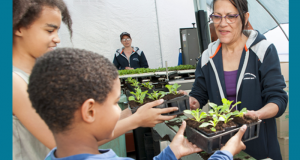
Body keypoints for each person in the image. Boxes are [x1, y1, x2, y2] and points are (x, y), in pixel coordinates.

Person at [12, 0, 179, 159]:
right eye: (49, 30)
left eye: (57, 31)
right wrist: (135, 120)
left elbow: (77, 129)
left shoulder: (38, 76)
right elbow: (62, 143)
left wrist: (132, 112)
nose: (57, 38)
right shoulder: (13, 81)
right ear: (19, 27)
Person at [27, 48, 248, 160]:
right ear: (90, 111)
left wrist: (170, 153)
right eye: (115, 103)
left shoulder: (55, 154)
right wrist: (225, 153)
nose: (121, 111)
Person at [188, 0, 288, 159]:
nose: (222, 23)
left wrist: (258, 114)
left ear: (245, 17)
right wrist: (192, 101)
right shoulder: (208, 57)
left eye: (231, 16)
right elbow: (199, 93)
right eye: (217, 16)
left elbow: (278, 99)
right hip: (222, 149)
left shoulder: (263, 51)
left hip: (259, 148)